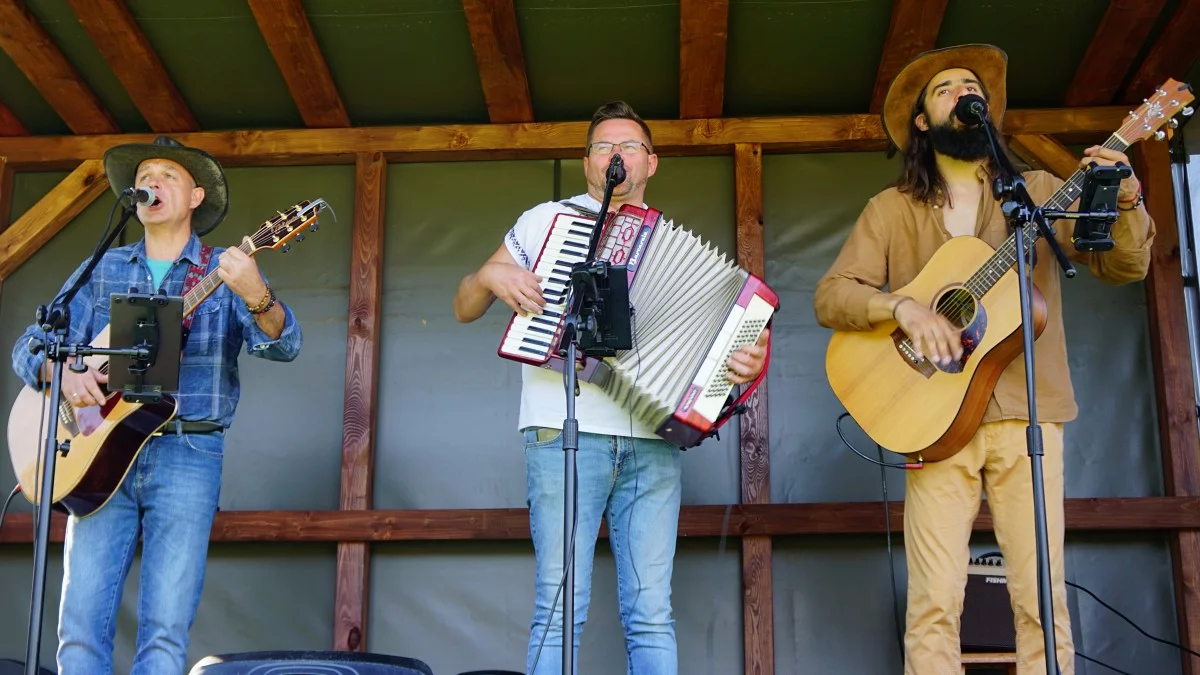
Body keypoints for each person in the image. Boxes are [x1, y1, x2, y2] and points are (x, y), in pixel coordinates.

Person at [813, 44, 1154, 674]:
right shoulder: (891, 210)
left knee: (1039, 598)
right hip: (934, 423)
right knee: (934, 602)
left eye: (972, 87)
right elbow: (834, 296)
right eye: (946, 89)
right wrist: (903, 309)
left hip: (1030, 415)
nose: (964, 93)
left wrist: (1126, 196)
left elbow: (1124, 265)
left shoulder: (1043, 193)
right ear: (923, 121)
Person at [453, 100, 769, 674]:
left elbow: (723, 359)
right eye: (603, 146)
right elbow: (463, 305)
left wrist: (746, 361)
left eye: (628, 147)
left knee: (651, 611)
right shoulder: (545, 222)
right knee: (559, 602)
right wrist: (488, 275)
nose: (615, 156)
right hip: (561, 432)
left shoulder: (675, 248)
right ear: (587, 163)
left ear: (651, 164)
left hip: (652, 441)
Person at [11, 136, 303, 674]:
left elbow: (284, 345)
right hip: (95, 450)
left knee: (166, 632)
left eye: (168, 174)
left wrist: (257, 292)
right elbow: (30, 346)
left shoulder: (225, 268)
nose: (153, 182)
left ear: (195, 197)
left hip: (188, 450)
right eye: (145, 175)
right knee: (78, 626)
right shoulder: (104, 268)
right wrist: (63, 372)